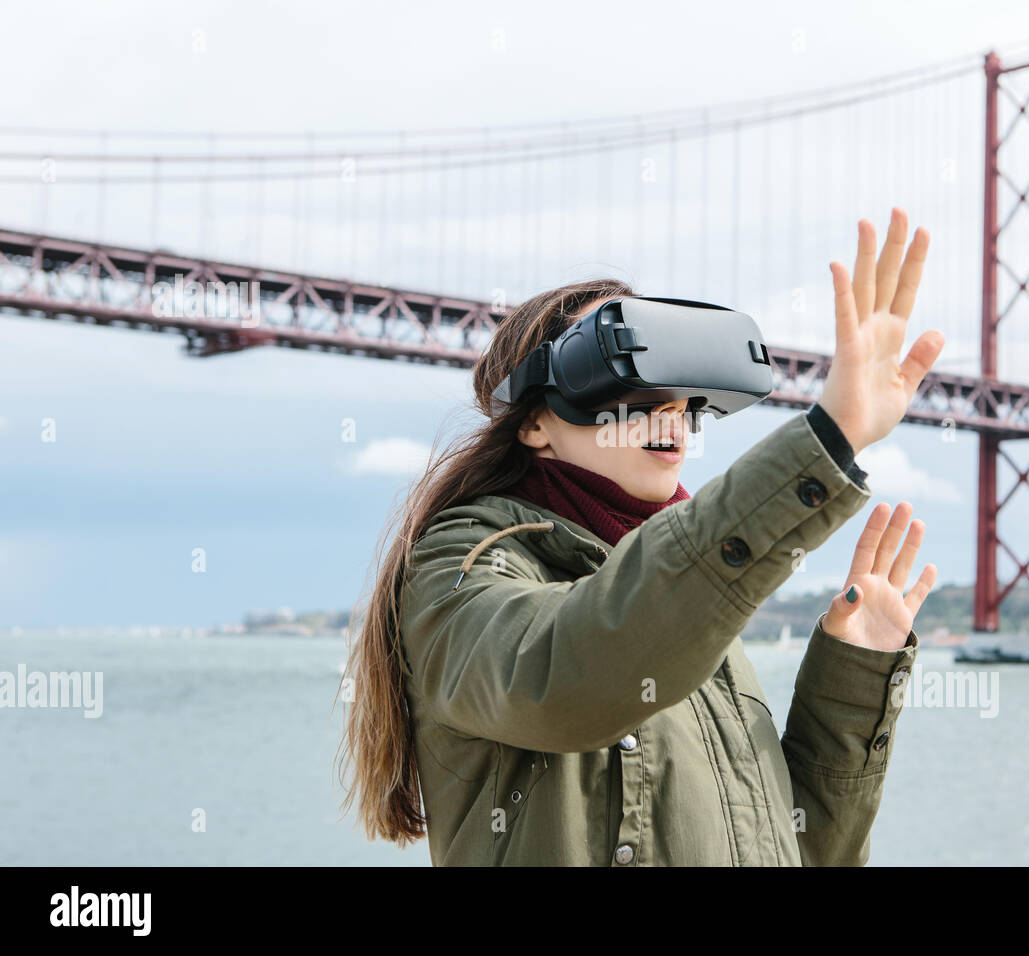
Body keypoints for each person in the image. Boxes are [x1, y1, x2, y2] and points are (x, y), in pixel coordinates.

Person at [338, 208, 945, 865]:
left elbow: (795, 850)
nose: (670, 409)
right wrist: (828, 437)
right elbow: (570, 675)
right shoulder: (465, 566)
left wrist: (851, 682)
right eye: (623, 372)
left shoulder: (690, 605)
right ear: (537, 422)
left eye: (684, 391)